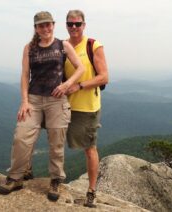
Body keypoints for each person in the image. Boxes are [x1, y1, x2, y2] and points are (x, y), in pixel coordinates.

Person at [0, 11, 84, 202]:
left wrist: (67, 85)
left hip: (56, 100)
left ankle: (55, 180)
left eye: (48, 24)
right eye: (41, 25)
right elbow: (24, 75)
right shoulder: (29, 48)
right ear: (36, 28)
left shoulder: (63, 45)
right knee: (22, 136)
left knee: (56, 142)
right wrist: (24, 101)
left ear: (53, 25)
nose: (45, 28)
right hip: (34, 100)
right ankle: (15, 177)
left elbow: (80, 68)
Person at [64, 10, 109, 208]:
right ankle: (54, 180)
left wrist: (80, 85)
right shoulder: (63, 46)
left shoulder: (93, 45)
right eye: (70, 23)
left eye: (78, 24)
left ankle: (91, 191)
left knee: (89, 149)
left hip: (87, 107)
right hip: (64, 105)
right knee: (54, 141)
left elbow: (104, 76)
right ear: (66, 25)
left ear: (84, 24)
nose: (74, 27)